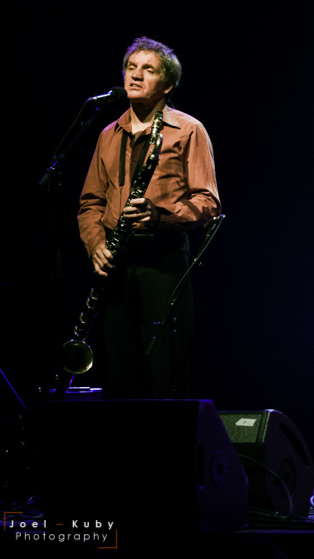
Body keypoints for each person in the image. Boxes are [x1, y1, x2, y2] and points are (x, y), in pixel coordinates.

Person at [77, 37, 221, 399]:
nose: (136, 75)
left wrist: (161, 217)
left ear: (167, 85)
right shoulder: (108, 134)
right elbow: (90, 203)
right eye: (131, 67)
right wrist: (95, 245)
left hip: (164, 259)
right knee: (121, 370)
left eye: (148, 69)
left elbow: (208, 202)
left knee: (165, 368)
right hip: (117, 263)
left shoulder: (188, 129)